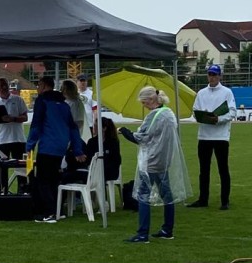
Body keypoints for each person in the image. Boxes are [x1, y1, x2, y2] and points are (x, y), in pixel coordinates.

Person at [119, 87, 192, 243]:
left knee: (143, 195)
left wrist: (123, 131)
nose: (144, 106)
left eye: (144, 102)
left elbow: (139, 138)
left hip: (151, 161)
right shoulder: (169, 113)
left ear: (151, 100)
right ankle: (167, 229)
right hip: (164, 160)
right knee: (167, 195)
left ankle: (142, 233)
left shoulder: (154, 116)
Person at [26, 76, 85, 223]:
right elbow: (73, 128)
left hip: (47, 145)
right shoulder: (64, 105)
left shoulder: (42, 101)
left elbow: (36, 124)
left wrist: (30, 146)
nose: (37, 88)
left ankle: (49, 212)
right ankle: (58, 210)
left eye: (39, 85)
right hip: (61, 146)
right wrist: (77, 149)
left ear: (45, 86)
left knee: (43, 180)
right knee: (54, 179)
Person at [187, 65, 237, 210]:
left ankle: (225, 200)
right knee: (204, 170)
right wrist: (201, 117)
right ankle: (203, 199)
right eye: (210, 74)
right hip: (204, 136)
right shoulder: (201, 93)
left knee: (223, 168)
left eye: (214, 75)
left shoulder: (227, 92)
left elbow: (232, 112)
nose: (212, 77)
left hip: (221, 136)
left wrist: (218, 119)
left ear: (220, 76)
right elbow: (195, 111)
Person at [62, 116, 121, 185]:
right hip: (93, 171)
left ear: (104, 128)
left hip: (108, 173)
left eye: (96, 126)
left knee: (70, 176)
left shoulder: (113, 142)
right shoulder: (92, 141)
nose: (94, 128)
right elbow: (87, 158)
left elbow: (117, 160)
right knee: (71, 174)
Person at [0, 77, 29, 161]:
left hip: (18, 139)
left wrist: (12, 119)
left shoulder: (18, 99)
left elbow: (25, 117)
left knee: (21, 167)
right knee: (1, 169)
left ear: (9, 86)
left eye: (5, 85)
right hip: (1, 140)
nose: (4, 87)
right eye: (1, 86)